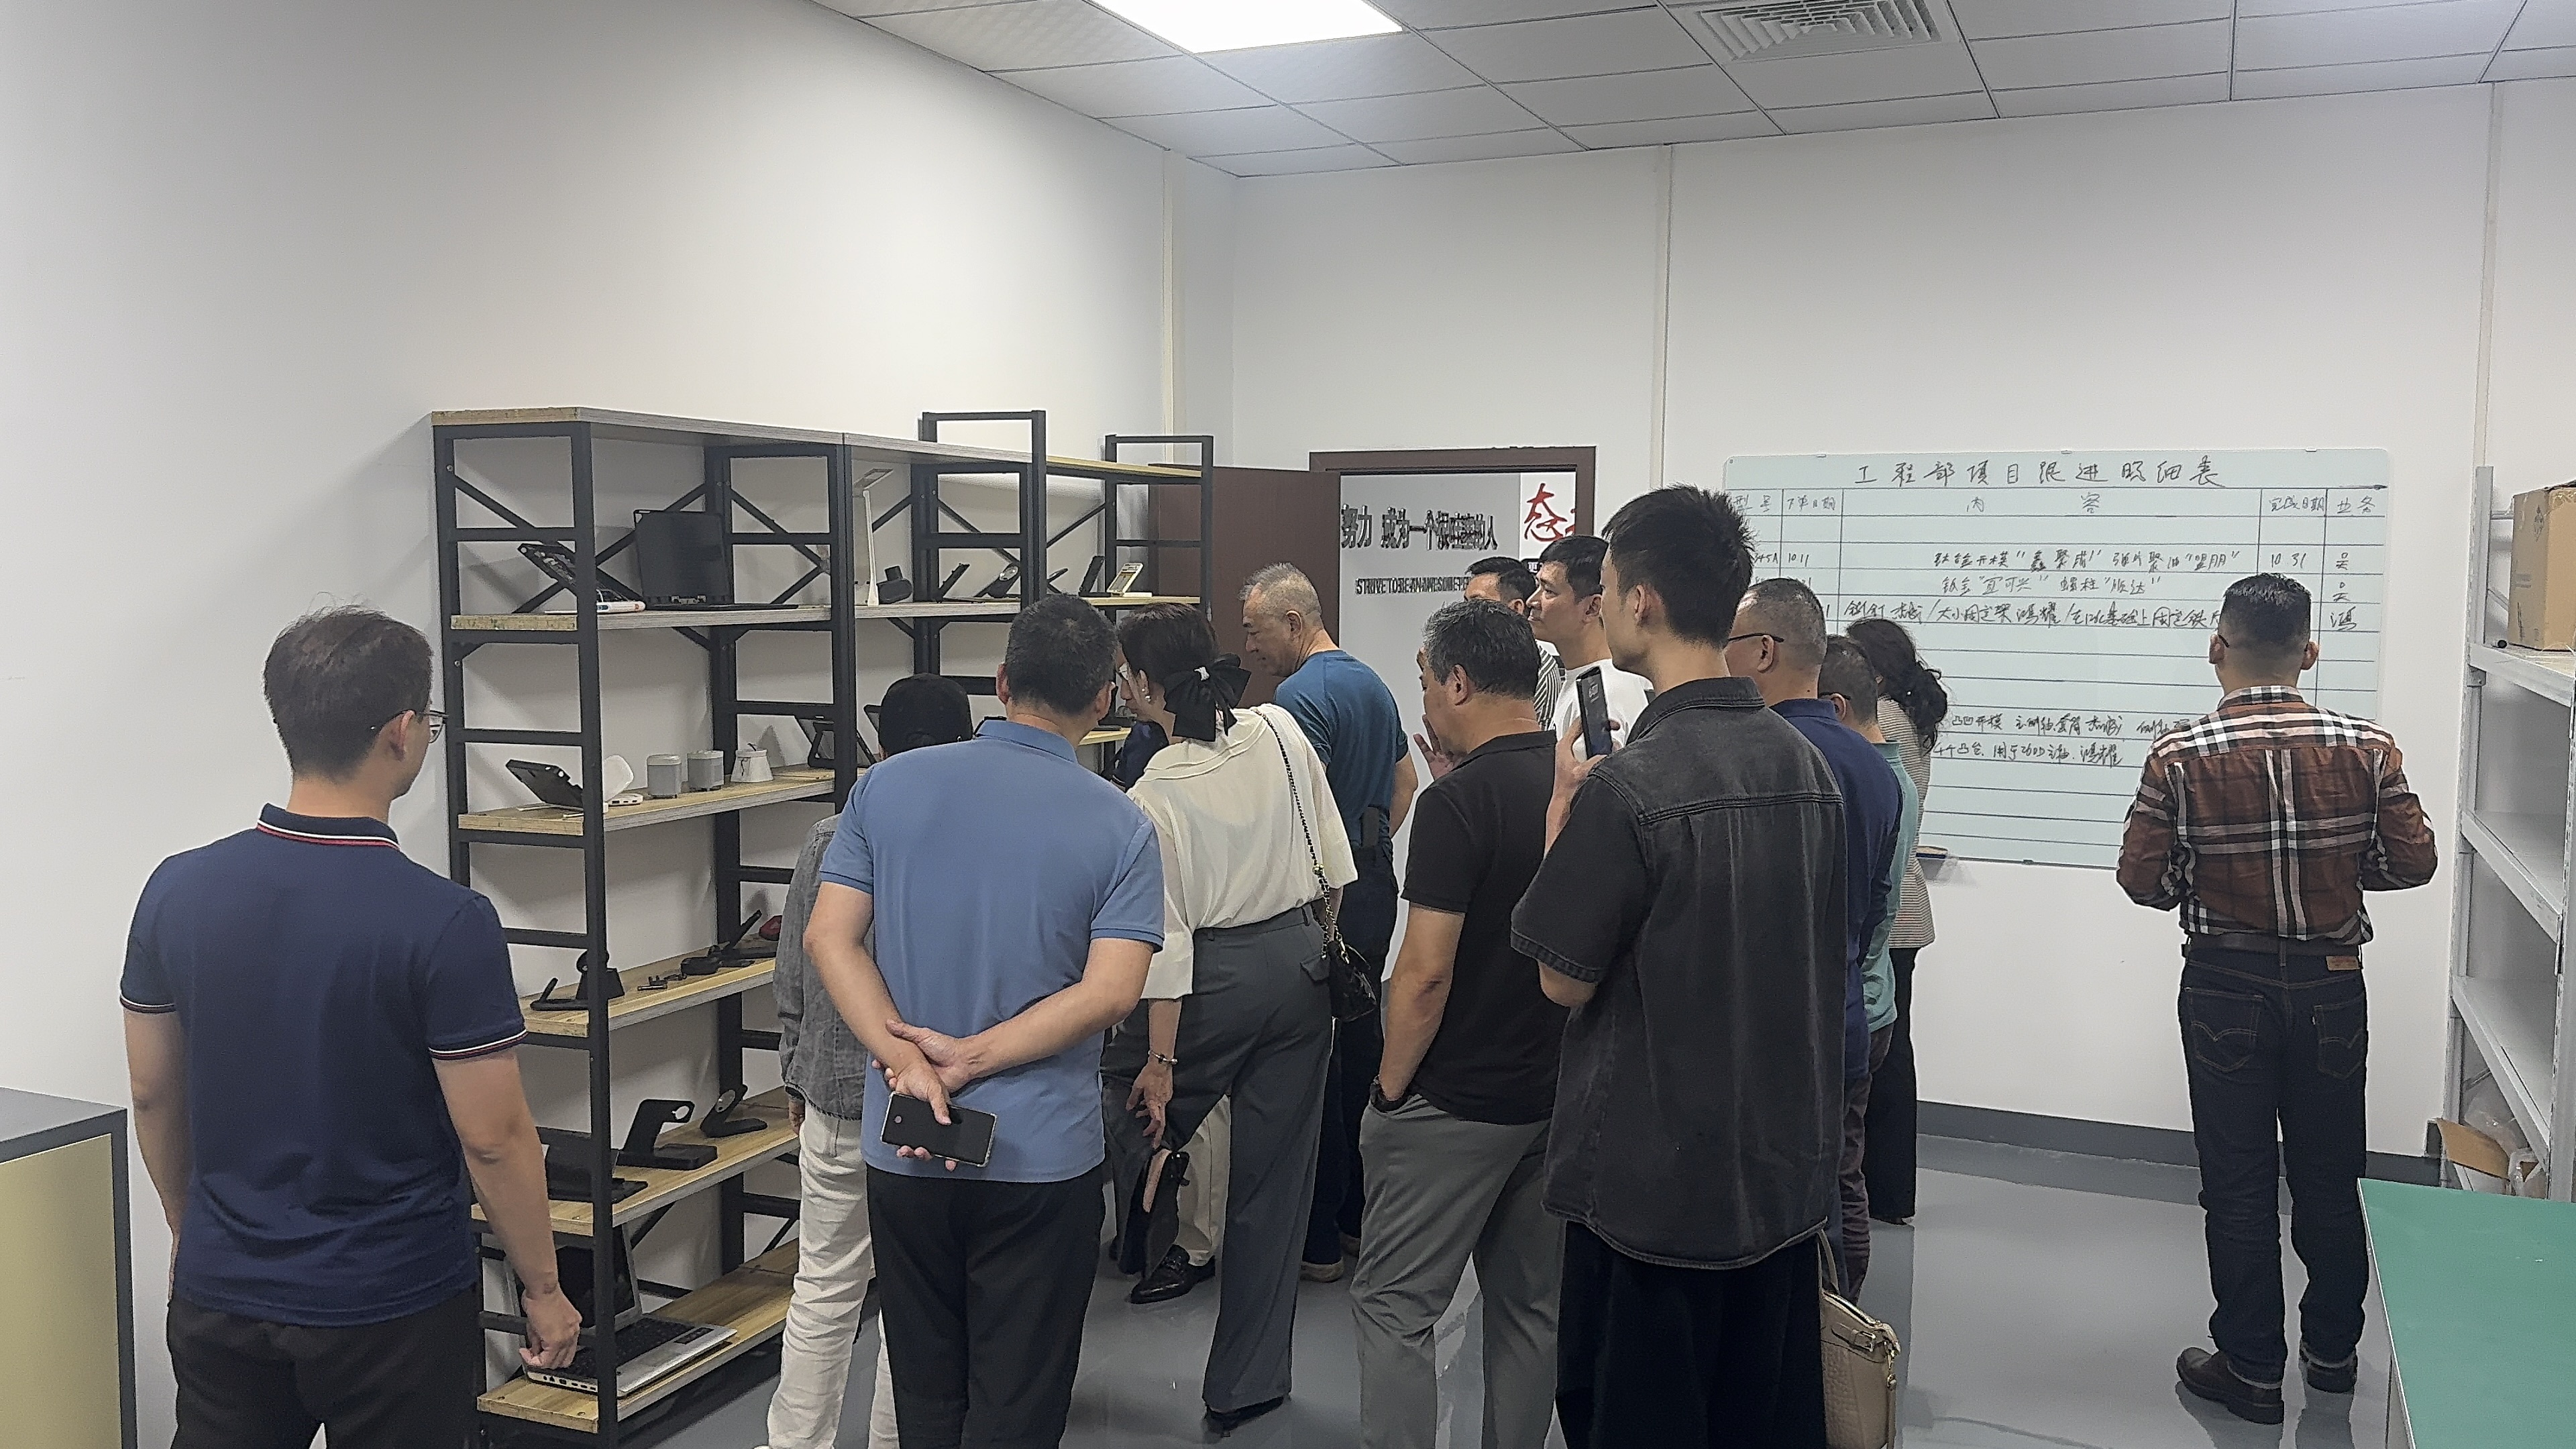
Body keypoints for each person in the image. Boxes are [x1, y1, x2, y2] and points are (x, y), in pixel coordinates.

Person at [121, 607, 582, 1448]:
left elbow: (152, 1091)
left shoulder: (174, 890)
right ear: (402, 732)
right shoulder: (446, 920)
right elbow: (493, 1137)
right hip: (392, 1301)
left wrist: (194, 1230)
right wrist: (543, 1288)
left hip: (224, 1290)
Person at [1513, 488, 1841, 1448]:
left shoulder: (1630, 787)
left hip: (1653, 1197)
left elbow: (1562, 979)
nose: (1601, 605)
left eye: (1607, 585)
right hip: (1779, 1182)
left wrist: (1557, 827)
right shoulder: (1805, 766)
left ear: (1642, 600)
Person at [805, 596, 1163, 1449]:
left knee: (925, 1393)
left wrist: (909, 1063)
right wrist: (972, 1058)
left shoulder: (883, 788)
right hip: (1041, 1159)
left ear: (1001, 683)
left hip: (908, 1142)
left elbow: (828, 938)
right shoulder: (1123, 824)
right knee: (1018, 1402)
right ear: (1103, 700)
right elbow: (1112, 993)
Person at [2118, 574, 2437, 1426]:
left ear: (2217, 648)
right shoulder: (2369, 746)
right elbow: (2413, 862)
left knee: (2237, 1183)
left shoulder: (2178, 755)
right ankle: (2332, 1356)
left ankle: (2252, 1368)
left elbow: (2142, 881)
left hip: (2224, 983)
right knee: (2332, 1177)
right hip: (2333, 983)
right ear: (2311, 652)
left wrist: (2199, 883)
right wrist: (2341, 877)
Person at [1098, 602, 1350, 1434]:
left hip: (1213, 978)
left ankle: (1140, 1202)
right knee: (1277, 1185)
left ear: (1143, 684)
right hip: (1304, 965)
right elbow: (1334, 862)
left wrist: (1161, 1064)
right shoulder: (1282, 727)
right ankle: (1249, 1382)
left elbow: (1166, 944)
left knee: (1109, 1100)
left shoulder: (1153, 792)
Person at [1352, 600, 1566, 1449]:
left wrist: (1388, 1090)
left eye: (1426, 684)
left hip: (1454, 1103)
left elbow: (1424, 974)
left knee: (1393, 1304)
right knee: (1531, 1312)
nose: (1426, 704)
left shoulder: (1458, 804)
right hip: (1552, 1092)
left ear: (1459, 683)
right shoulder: (1584, 781)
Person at [762, 675, 975, 1449]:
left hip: (837, 1089)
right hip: (935, 1096)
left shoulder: (831, 835)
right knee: (915, 1299)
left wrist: (795, 1069)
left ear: (880, 746)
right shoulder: (974, 840)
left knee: (823, 1287)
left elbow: (796, 967)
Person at [1239, 562, 1415, 1280]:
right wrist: (1369, 851)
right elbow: (1405, 781)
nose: (1250, 649)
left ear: (1293, 622)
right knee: (1361, 1045)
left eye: (1256, 632)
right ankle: (1357, 1219)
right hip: (1373, 883)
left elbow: (1296, 812)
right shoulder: (1371, 682)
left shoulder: (1297, 696)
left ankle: (1315, 1236)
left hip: (1324, 899)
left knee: (1314, 1060)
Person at [1727, 578, 1900, 1297]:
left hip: (1765, 1034)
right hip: (1845, 1015)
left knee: (1762, 1216)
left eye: (1730, 643)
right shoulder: (1874, 764)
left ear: (1763, 651)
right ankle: (1841, 1334)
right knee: (1836, 1187)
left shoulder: (1756, 754)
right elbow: (1878, 903)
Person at [1821, 637, 1919, 1295]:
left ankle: (1842, 1310)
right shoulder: (1890, 771)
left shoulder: (1867, 779)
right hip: (1872, 992)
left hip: (1857, 994)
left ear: (1834, 707)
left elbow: (1866, 910)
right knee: (1845, 1166)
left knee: (1839, 1173)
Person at [1849, 616, 1943, 1226]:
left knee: (1881, 1053)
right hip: (1906, 906)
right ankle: (1890, 1191)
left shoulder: (1881, 717)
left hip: (1891, 909)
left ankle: (1879, 1188)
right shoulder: (1908, 716)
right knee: (1894, 1048)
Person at [1527, 535, 1653, 759]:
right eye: (1538, 586)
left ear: (1592, 608)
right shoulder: (1586, 678)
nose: (1532, 601)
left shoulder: (1604, 692)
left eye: (1549, 591)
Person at [1464, 553, 1562, 724]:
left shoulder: (1541, 670)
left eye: (1477, 604)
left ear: (1515, 608)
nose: (1465, 613)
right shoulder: (1466, 657)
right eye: (1465, 603)